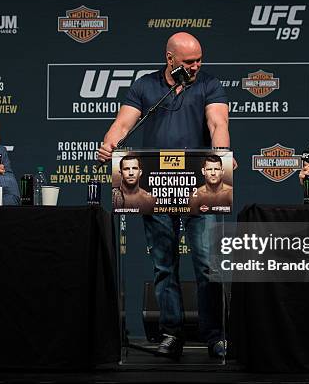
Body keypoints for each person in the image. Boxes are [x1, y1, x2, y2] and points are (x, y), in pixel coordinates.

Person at [98, 32, 231, 359]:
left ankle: (214, 335)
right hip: (156, 185)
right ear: (169, 58)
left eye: (199, 59)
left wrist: (223, 153)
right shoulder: (145, 85)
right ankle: (171, 334)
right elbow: (123, 123)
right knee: (164, 264)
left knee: (206, 264)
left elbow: (218, 123)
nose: (196, 66)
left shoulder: (209, 84)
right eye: (189, 61)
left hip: (201, 185)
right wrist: (109, 142)